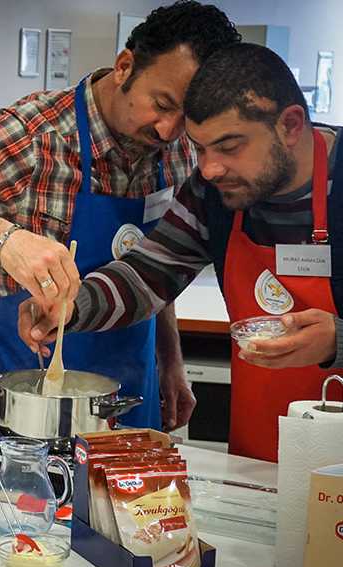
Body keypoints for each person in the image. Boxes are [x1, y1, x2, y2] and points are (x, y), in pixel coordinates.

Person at [0, 1, 241, 431]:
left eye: (185, 118)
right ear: (124, 66)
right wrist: (6, 239)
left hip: (135, 378)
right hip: (35, 380)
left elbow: (156, 266)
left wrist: (171, 360)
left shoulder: (182, 150)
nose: (168, 130)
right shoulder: (39, 134)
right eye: (161, 103)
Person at [20, 43, 342, 462]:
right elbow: (146, 276)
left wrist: (339, 339)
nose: (209, 168)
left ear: (291, 125)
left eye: (229, 147)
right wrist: (71, 305)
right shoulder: (213, 193)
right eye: (201, 149)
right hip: (261, 460)